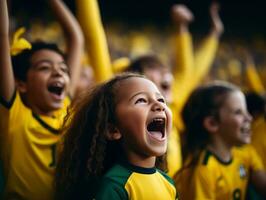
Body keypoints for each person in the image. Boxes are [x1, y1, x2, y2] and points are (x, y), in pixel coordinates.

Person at [0, 0, 83, 199]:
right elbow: (1, 35)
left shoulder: (64, 106)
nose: (58, 73)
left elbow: (76, 38)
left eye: (63, 69)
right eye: (45, 67)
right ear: (21, 84)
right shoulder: (14, 115)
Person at [55, 73, 177, 200]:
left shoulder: (169, 183)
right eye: (141, 100)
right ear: (113, 130)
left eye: (161, 100)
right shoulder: (113, 187)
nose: (160, 106)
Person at [174, 81, 266, 200]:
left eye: (246, 111)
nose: (249, 118)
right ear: (212, 123)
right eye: (238, 112)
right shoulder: (203, 171)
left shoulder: (245, 153)